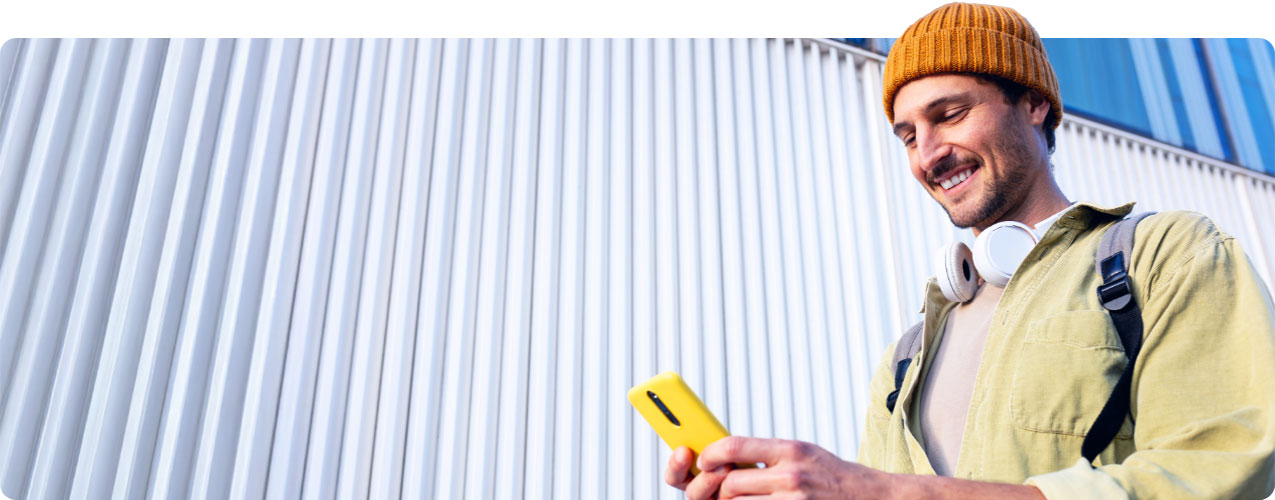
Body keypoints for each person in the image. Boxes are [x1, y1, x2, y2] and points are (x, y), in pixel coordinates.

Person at [664, 3, 1275, 499]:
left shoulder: (1165, 255)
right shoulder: (904, 360)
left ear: (1034, 103)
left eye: (951, 115)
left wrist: (888, 493)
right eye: (909, 136)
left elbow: (1216, 471)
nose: (928, 155)